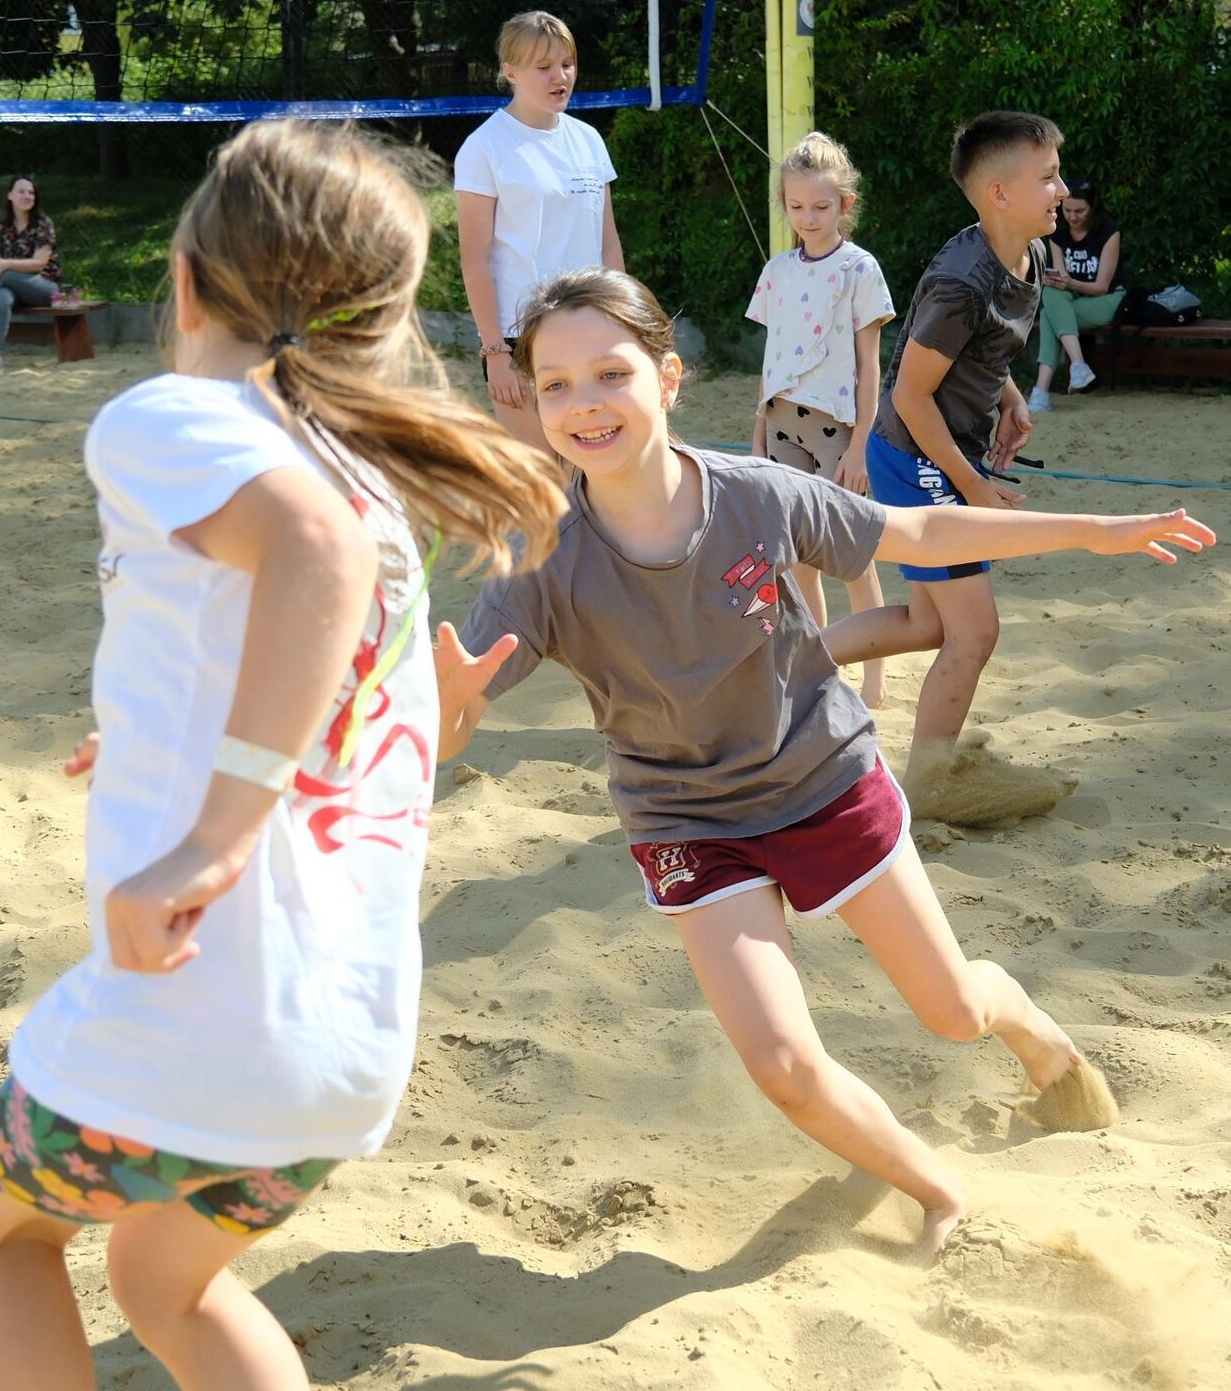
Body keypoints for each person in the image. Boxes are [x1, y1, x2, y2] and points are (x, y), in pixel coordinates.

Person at [436, 266, 1213, 1261]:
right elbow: (449, 729)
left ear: (667, 378)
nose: (584, 404)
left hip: (824, 780)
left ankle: (1019, 1014)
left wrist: (1092, 529)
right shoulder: (541, 557)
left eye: (609, 373)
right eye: (554, 384)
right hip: (688, 821)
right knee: (783, 1064)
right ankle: (937, 1189)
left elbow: (919, 528)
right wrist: (450, 712)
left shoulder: (756, 496)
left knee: (952, 1010)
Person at [0, 120, 565, 1391]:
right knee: (156, 1281)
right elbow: (315, 671)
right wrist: (153, 736)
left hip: (206, 1007)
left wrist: (210, 834)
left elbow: (311, 562)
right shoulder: (364, 482)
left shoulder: (174, 416)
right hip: (338, 1050)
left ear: (182, 283)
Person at [866, 111, 1069, 822]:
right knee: (975, 632)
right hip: (913, 458)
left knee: (928, 623)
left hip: (940, 453)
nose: (1061, 189)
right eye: (1047, 177)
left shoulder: (1028, 254)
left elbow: (984, 352)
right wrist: (973, 484)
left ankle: (781, 657)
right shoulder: (962, 281)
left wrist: (1009, 397)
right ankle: (927, 788)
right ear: (998, 193)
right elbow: (910, 395)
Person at [747, 131, 895, 708]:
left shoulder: (860, 269)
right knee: (801, 556)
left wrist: (860, 447)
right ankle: (821, 664)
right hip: (782, 421)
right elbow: (771, 359)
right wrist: (758, 434)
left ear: (845, 205)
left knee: (854, 556)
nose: (807, 217)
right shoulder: (778, 270)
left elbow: (869, 365)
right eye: (796, 205)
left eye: (821, 206)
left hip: (838, 428)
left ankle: (877, 677)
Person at [455, 10, 624, 454]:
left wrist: (622, 323)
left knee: (594, 478)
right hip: (521, 340)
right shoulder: (484, 147)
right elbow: (474, 260)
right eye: (544, 67)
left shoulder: (588, 139)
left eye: (566, 63)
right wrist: (495, 354)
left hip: (590, 327)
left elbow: (608, 244)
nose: (560, 76)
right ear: (510, 72)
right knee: (543, 484)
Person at [1029, 176, 1127, 412]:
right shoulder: (1058, 232)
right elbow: (1060, 278)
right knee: (1052, 292)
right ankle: (1078, 367)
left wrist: (1069, 282)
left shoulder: (1109, 232)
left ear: (1092, 208)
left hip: (1108, 299)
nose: (1072, 217)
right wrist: (1060, 280)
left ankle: (1042, 391)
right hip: (1072, 300)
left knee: (1051, 314)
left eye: (1080, 211)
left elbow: (1102, 286)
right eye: (1068, 210)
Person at [0, 175, 62, 369]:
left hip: (44, 287)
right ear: (10, 195)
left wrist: (4, 265)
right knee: (1, 296)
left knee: (3, 273)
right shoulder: (0, 222)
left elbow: (39, 264)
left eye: (31, 192)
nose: (27, 195)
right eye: (21, 191)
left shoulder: (43, 223)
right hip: (9, 284)